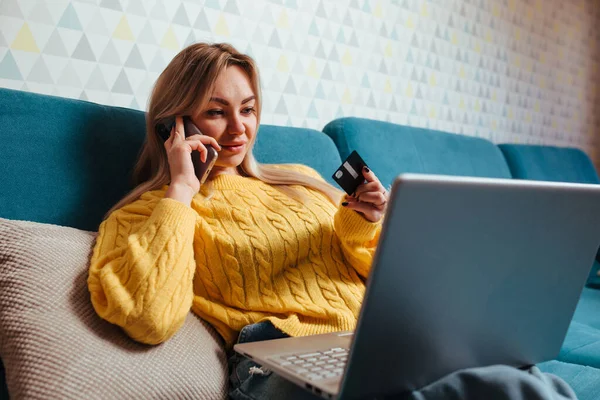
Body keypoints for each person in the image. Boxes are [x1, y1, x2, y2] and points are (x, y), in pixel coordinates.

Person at [88, 43, 576, 400]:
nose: (239, 130)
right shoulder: (148, 213)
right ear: (174, 125)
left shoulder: (299, 178)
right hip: (283, 362)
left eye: (249, 110)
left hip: (383, 342)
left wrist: (365, 224)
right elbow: (148, 316)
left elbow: (389, 281)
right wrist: (180, 191)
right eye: (216, 113)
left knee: (527, 384)